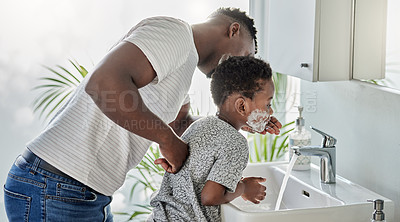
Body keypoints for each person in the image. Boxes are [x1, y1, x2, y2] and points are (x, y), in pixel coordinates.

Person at [4, 7, 282, 221]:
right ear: (233, 30)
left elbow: (181, 125)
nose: (240, 66)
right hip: (57, 187)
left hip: (77, 191)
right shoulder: (174, 35)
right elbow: (104, 85)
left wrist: (242, 120)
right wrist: (167, 140)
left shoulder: (183, 63)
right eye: (244, 55)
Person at [148, 56, 274, 221]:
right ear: (242, 106)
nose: (270, 112)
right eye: (268, 104)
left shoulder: (201, 125)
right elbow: (210, 197)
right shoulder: (236, 143)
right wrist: (243, 188)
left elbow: (199, 176)